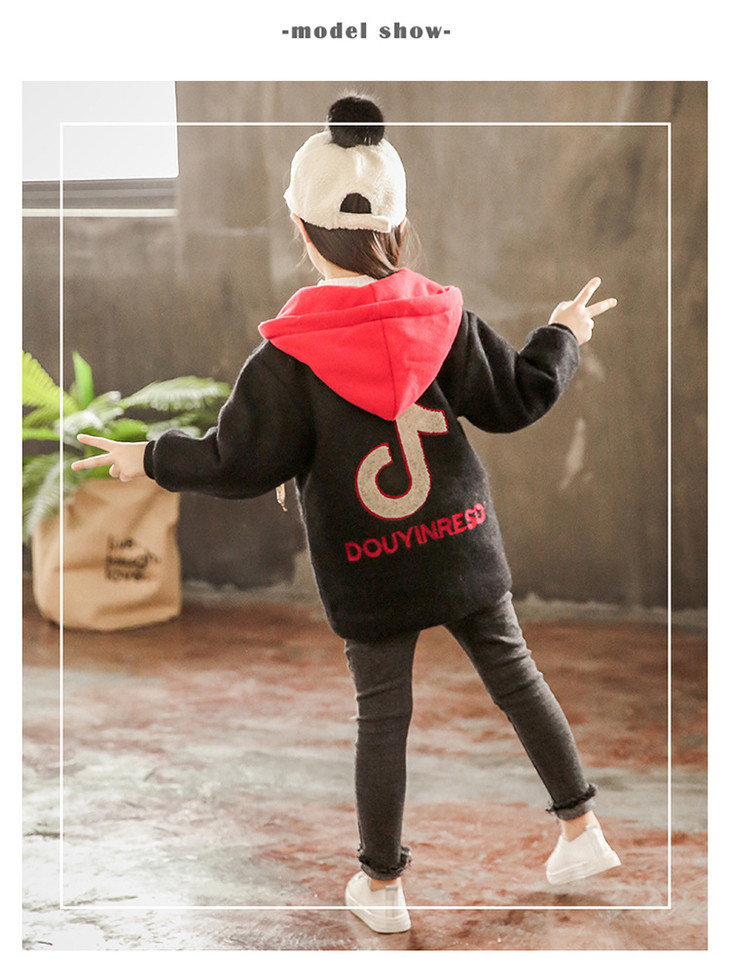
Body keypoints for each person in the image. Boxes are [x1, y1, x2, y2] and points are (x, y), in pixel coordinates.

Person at [72, 94, 621, 934]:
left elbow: (236, 462)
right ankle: (581, 829)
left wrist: (148, 456)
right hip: (462, 542)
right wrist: (562, 332)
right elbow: (520, 396)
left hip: (368, 565)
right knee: (517, 677)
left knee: (384, 715)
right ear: (399, 225)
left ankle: (384, 886)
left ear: (300, 224)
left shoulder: (287, 358)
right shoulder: (444, 318)